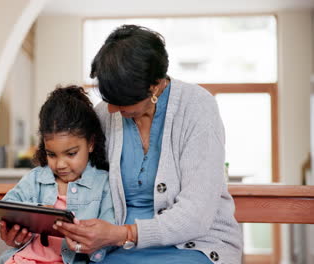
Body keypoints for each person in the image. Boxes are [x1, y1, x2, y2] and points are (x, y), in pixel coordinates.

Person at [52, 25, 243, 264]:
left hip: (191, 246)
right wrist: (28, 226)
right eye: (108, 99)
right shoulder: (106, 114)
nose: (111, 109)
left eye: (121, 100)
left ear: (155, 85)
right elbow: (76, 181)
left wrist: (123, 234)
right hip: (114, 248)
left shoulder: (197, 107)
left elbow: (197, 215)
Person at [0, 86, 115, 264]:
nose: (60, 164)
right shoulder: (36, 179)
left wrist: (89, 242)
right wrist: (34, 215)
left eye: (71, 153)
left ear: (90, 143)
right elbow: (8, 208)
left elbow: (108, 237)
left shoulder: (103, 184)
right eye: (52, 154)